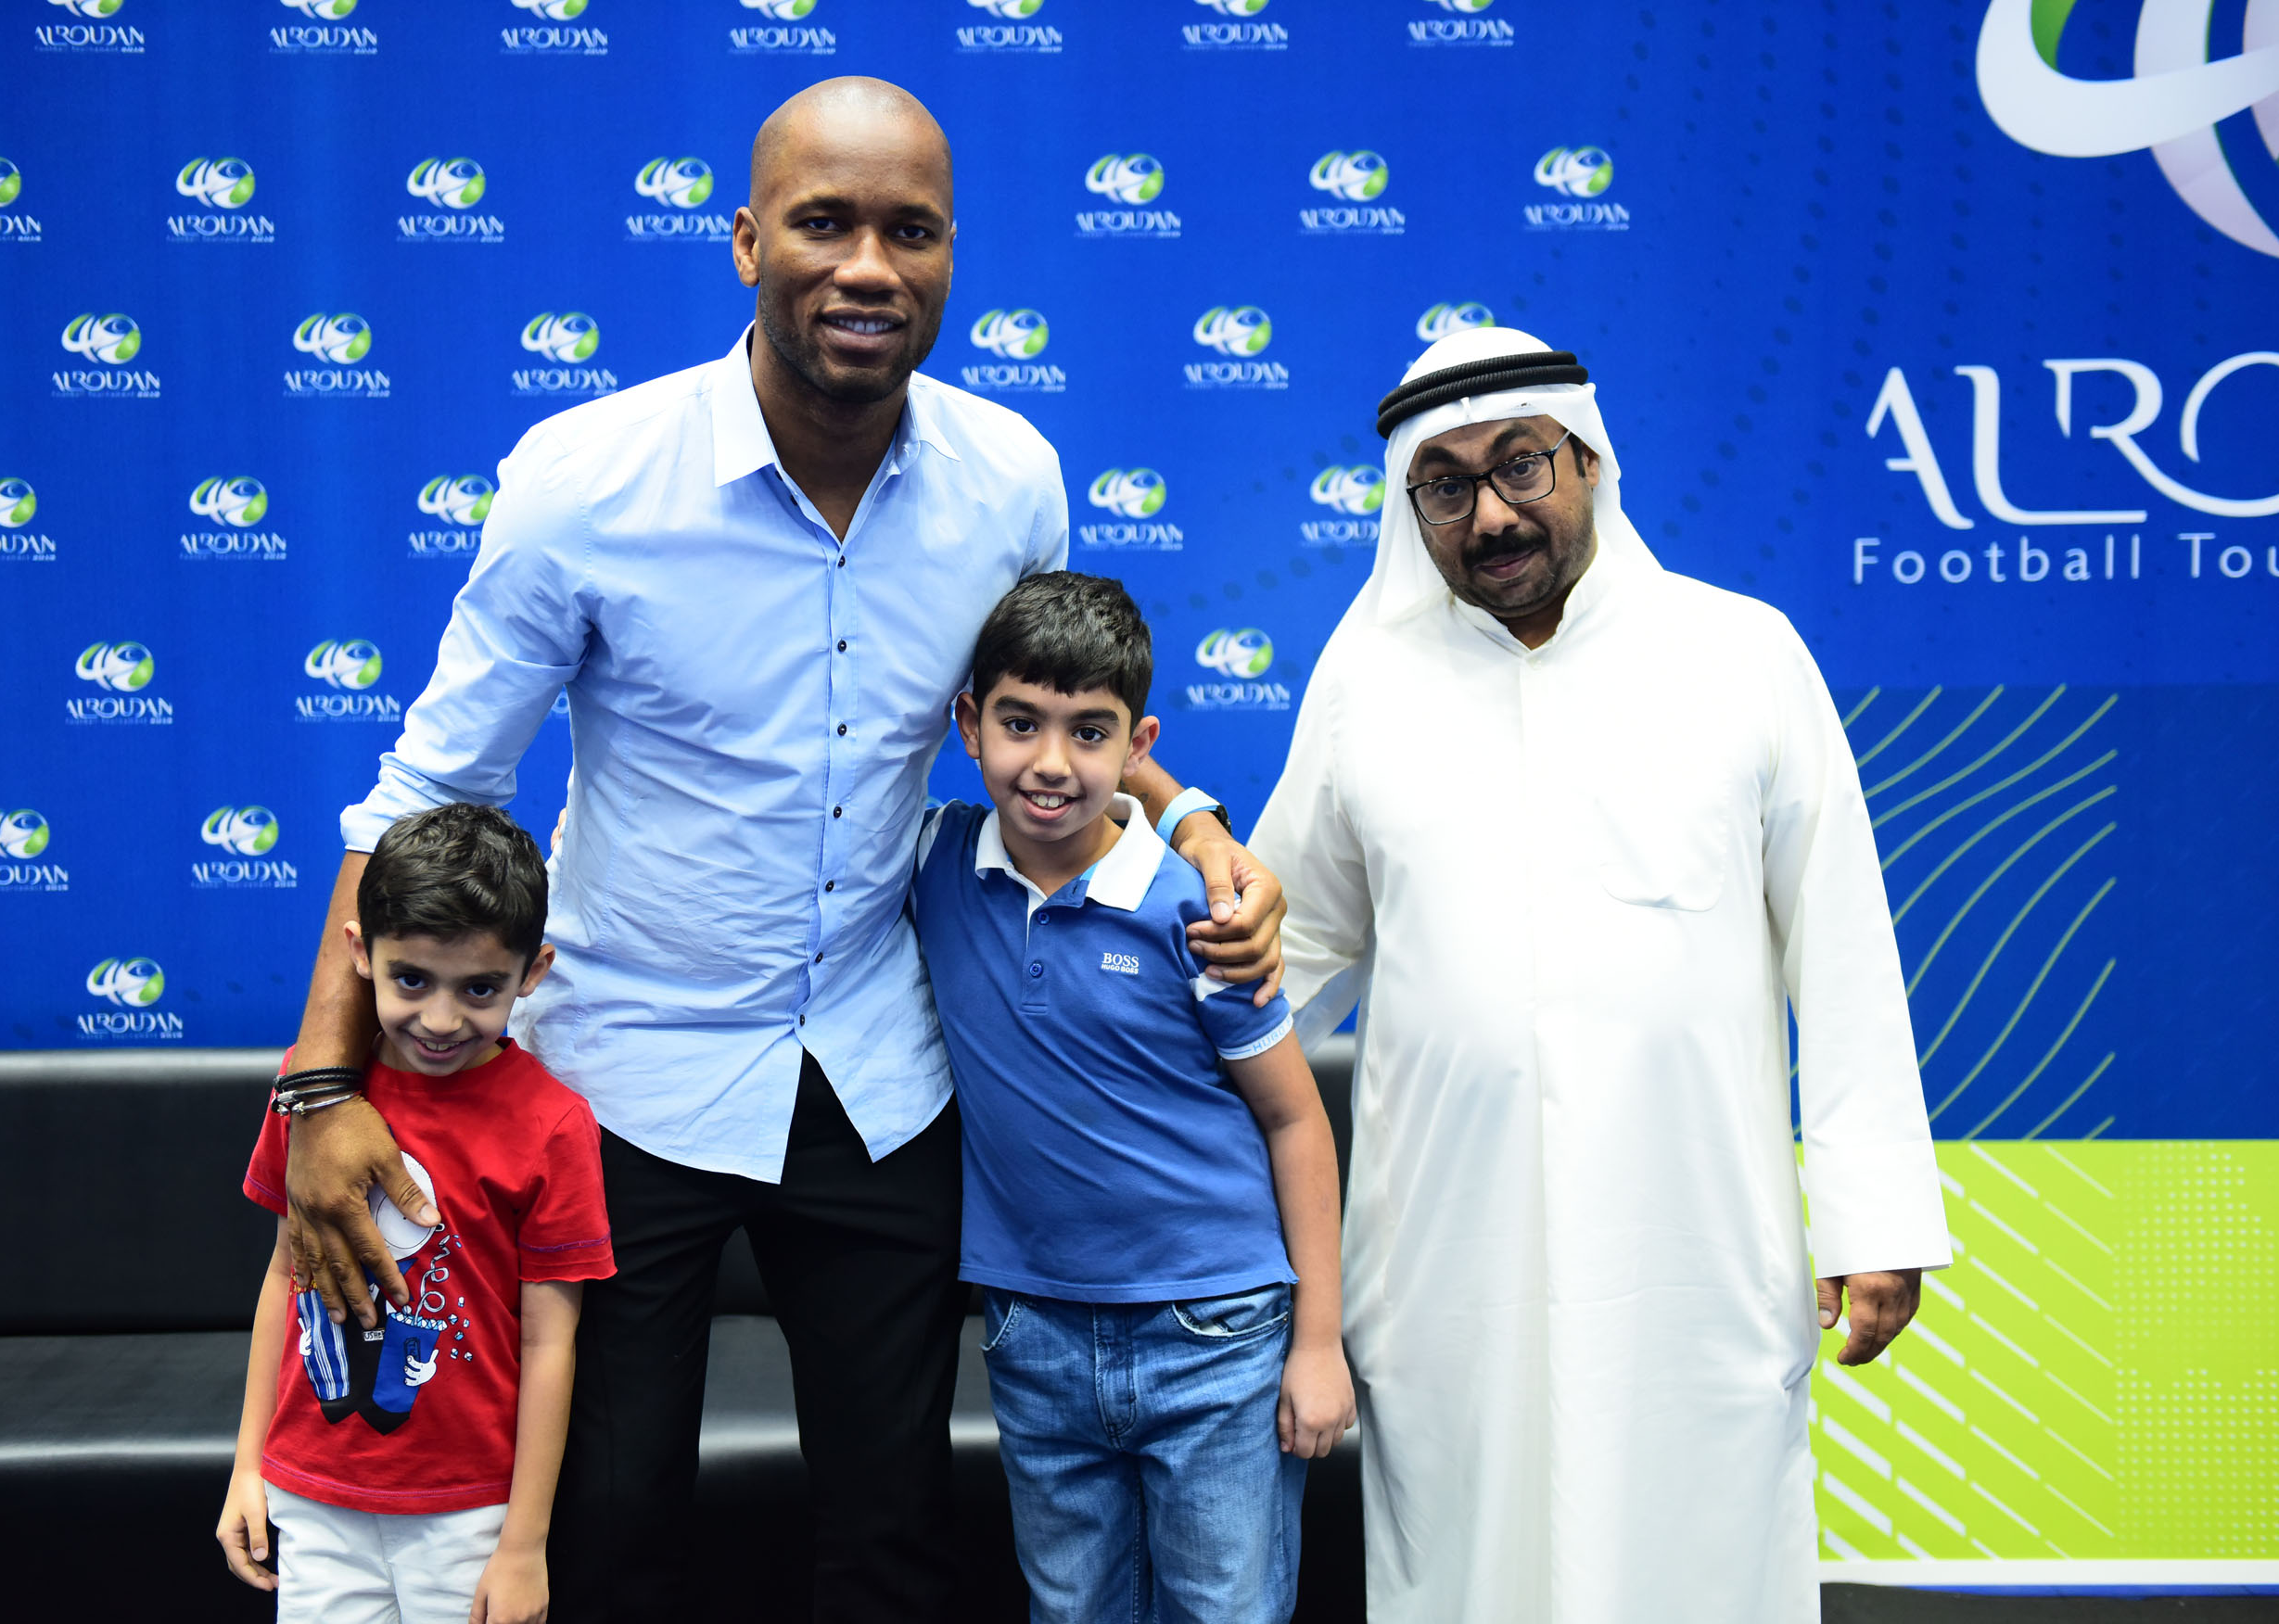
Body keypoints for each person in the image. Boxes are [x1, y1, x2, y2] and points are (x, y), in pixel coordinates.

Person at [272, 78, 1286, 1623]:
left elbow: (1056, 715)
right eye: (824, 224)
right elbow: (424, 793)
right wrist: (323, 1087)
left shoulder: (1011, 479)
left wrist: (1195, 821)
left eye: (910, 231)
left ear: (951, 255)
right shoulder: (584, 482)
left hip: (878, 1074)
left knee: (893, 1530)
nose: (868, 266)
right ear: (747, 243)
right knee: (610, 1527)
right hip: (621, 1079)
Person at [1246, 326, 1952, 1624]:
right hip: (1451, 1257)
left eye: (1521, 465)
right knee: (1471, 1568)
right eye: (1445, 486)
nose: (1490, 514)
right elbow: (1291, 945)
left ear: (1589, 460)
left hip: (1693, 1242)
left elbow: (1842, 942)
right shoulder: (1367, 681)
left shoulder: (1741, 655)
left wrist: (1877, 1220)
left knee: (1701, 1560)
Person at [908, 573, 1353, 1621]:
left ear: (1137, 743)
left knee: (1225, 1608)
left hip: (1217, 1338)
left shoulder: (1200, 912)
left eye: (1090, 733)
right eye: (1020, 723)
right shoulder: (934, 863)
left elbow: (1295, 1119)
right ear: (969, 725)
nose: (1051, 763)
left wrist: (1319, 1342)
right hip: (1034, 1333)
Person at [216, 803, 614, 1624]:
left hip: (469, 1511)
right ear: (360, 951)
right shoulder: (308, 1092)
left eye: (479, 989)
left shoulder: (554, 1124)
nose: (440, 1019)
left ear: (533, 972)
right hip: (313, 1493)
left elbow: (549, 1341)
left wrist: (524, 1544)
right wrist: (248, 1464)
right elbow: (284, 1277)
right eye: (412, 980)